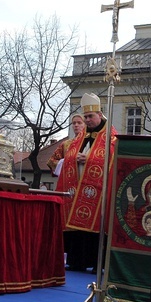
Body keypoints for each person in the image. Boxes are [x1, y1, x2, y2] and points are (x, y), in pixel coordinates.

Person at [55, 93, 117, 272]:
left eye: (91, 116)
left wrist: (89, 159)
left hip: (99, 193)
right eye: (86, 117)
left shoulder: (112, 138)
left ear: (100, 114)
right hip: (77, 190)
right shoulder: (78, 138)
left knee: (97, 226)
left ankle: (97, 263)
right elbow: (68, 158)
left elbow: (113, 159)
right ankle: (77, 261)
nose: (88, 120)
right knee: (77, 225)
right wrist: (75, 159)